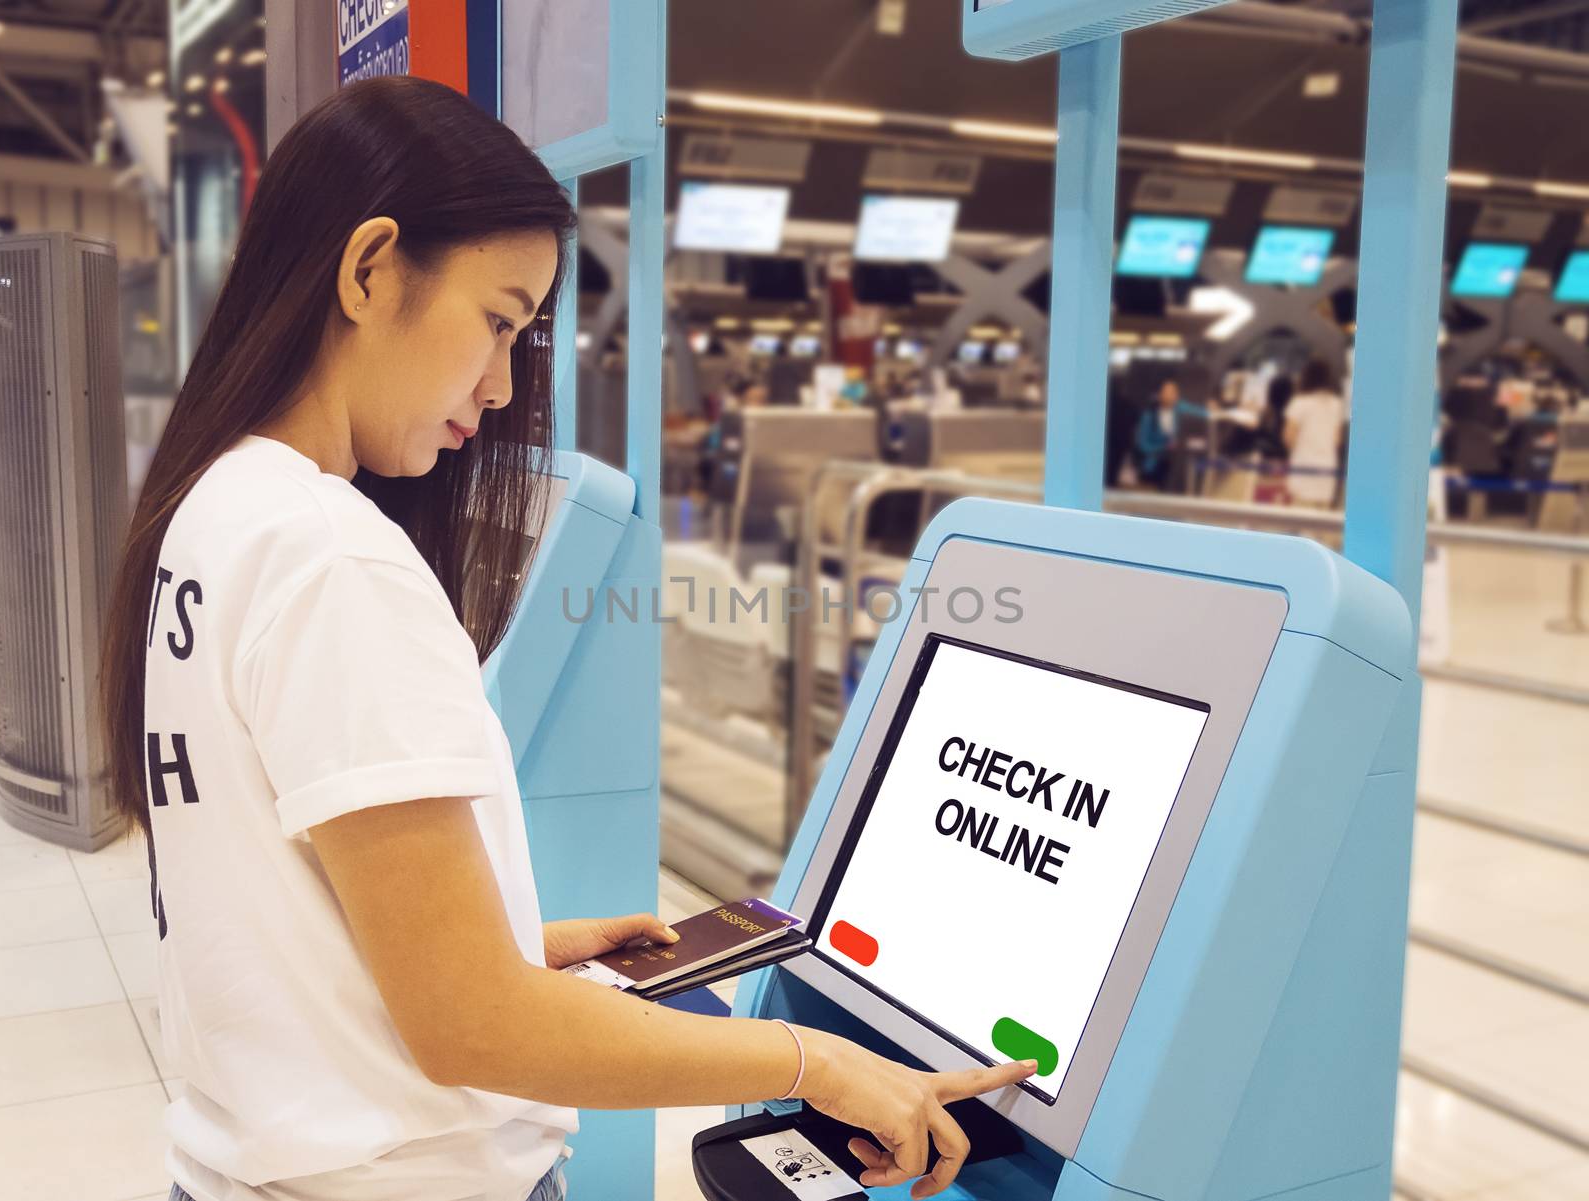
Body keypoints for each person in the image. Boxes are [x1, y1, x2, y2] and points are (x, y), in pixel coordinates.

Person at [99, 78, 1034, 1201]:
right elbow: (470, 1029)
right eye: (497, 319)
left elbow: (266, 909)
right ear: (368, 268)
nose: (500, 385)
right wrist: (816, 1059)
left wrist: (511, 940)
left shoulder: (214, 508)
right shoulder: (333, 558)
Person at [1284, 359, 1348, 508]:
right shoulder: (1337, 404)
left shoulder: (1299, 403)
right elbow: (1337, 440)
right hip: (1328, 467)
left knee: (1300, 520)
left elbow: (1289, 437)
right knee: (1320, 523)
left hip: (1304, 467)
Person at [1133, 378, 1180, 488]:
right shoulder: (1149, 416)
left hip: (1174, 468)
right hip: (1152, 464)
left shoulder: (1178, 414)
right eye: (1166, 392)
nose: (1170, 396)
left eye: (1173, 392)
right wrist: (1164, 447)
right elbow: (1142, 444)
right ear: (1159, 395)